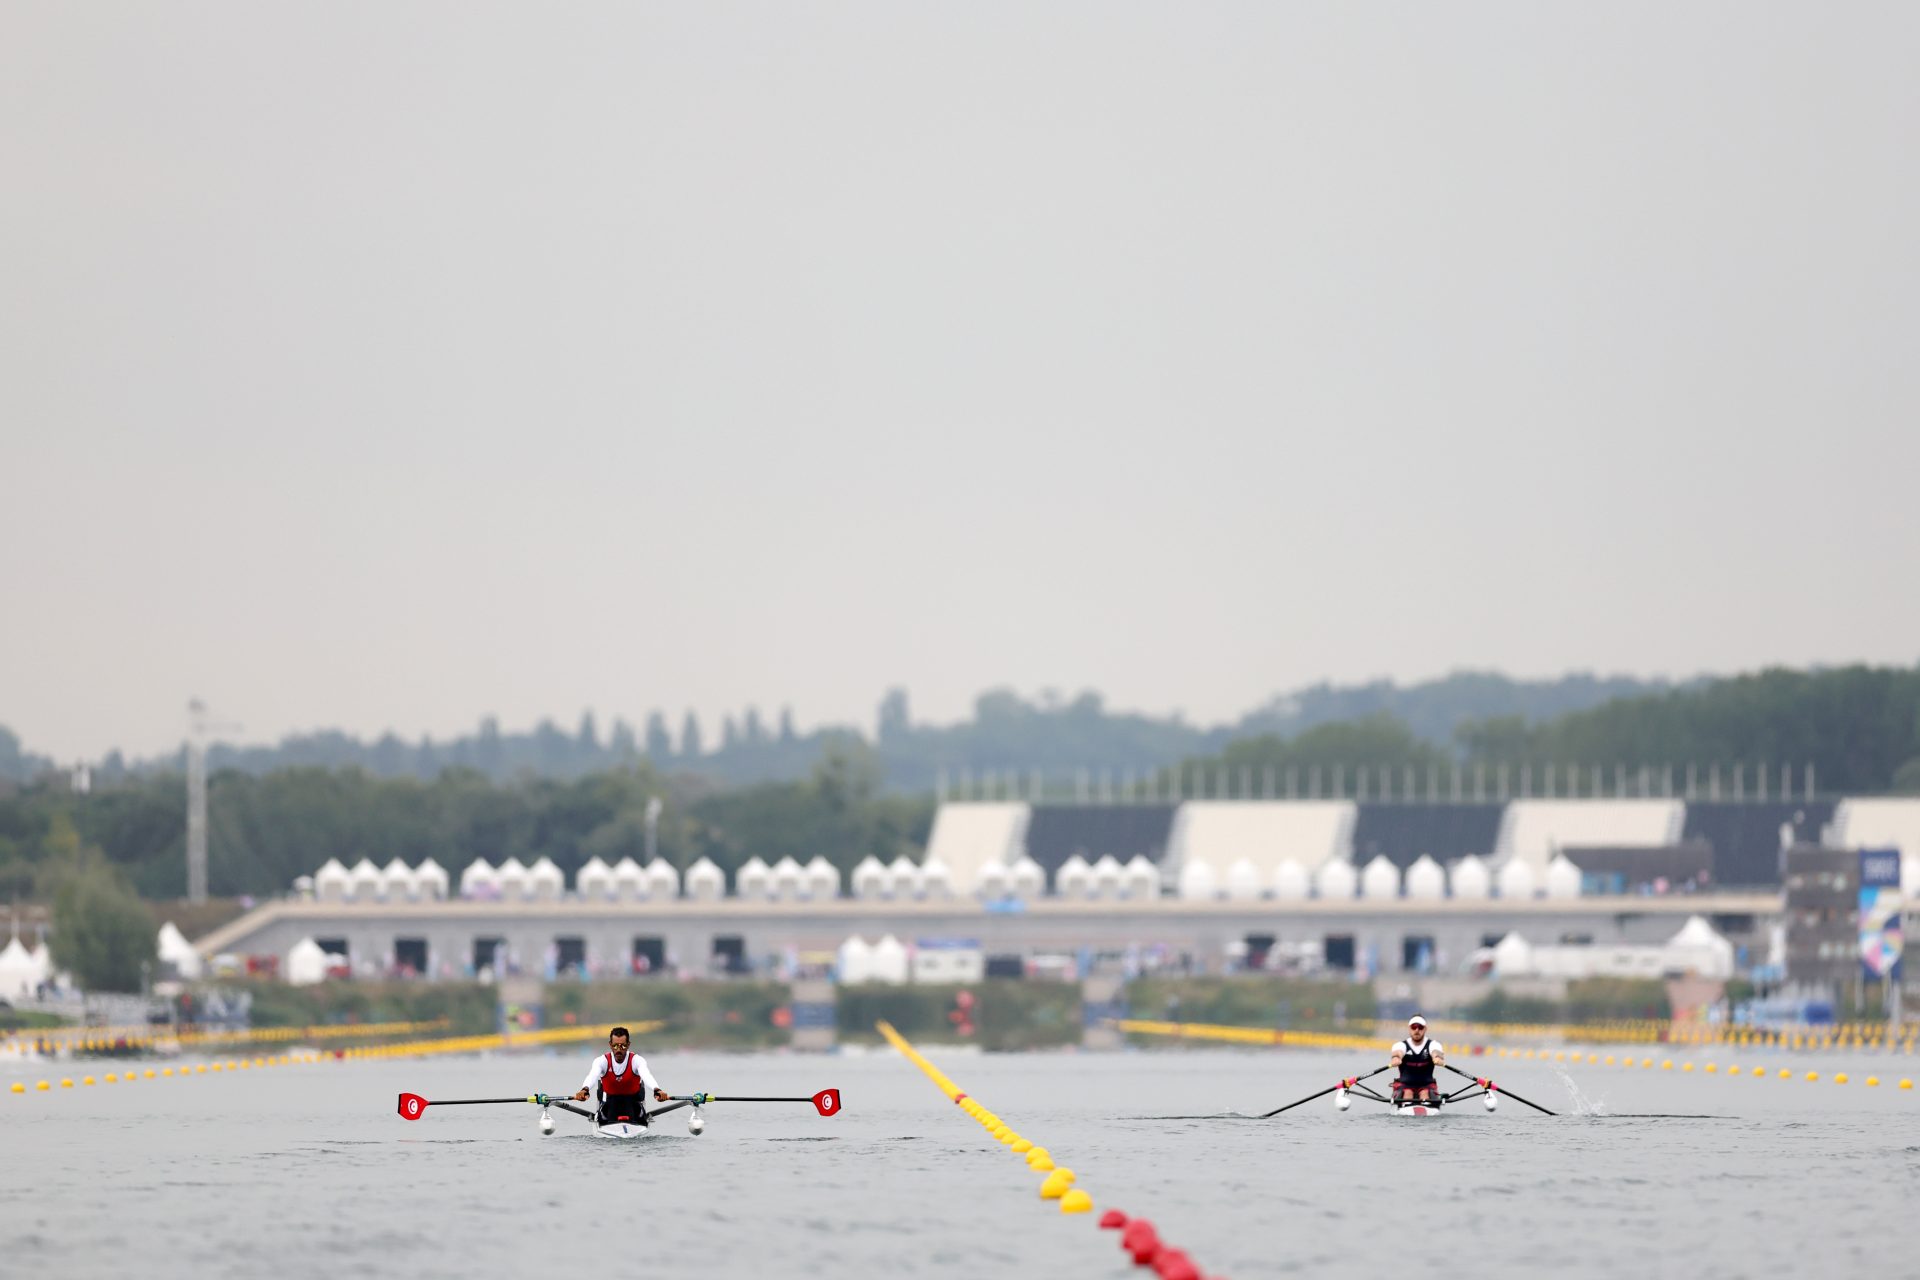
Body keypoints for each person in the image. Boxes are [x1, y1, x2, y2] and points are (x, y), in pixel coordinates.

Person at [572, 1026, 670, 1126]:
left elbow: (646, 1076)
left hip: (633, 1103)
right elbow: (592, 1075)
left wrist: (657, 1090)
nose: (619, 1050)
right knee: (612, 1106)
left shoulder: (637, 1060)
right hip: (609, 1103)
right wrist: (585, 1089)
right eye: (615, 1046)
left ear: (628, 1045)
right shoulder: (602, 1061)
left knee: (632, 1107)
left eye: (622, 1046)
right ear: (610, 1045)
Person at [1389, 1015, 1445, 1105]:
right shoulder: (1400, 1045)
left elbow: (1436, 1052)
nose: (1417, 1030)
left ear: (1425, 1029)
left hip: (1427, 1085)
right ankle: (1408, 1106)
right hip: (1405, 1085)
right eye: (1413, 1027)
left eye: (1420, 1027)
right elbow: (1398, 1052)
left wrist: (1437, 1058)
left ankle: (1425, 1107)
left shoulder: (1433, 1044)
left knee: (1425, 1094)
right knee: (1407, 1093)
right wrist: (1396, 1058)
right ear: (1409, 1029)